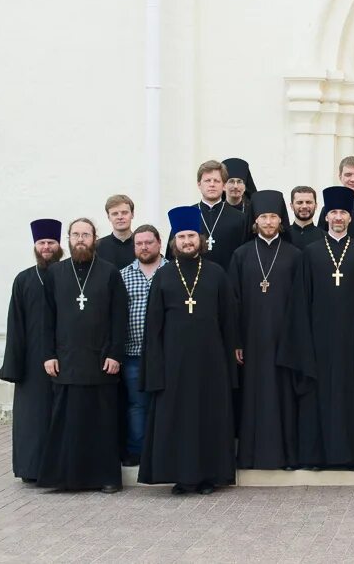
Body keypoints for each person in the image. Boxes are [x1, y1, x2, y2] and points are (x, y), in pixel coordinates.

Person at [140, 207, 239, 495]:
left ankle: (210, 477)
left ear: (200, 239)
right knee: (178, 419)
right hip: (173, 363)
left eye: (191, 236)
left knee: (209, 418)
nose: (187, 241)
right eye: (182, 236)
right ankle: (180, 477)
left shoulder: (217, 273)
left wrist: (229, 360)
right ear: (174, 241)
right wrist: (155, 364)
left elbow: (228, 320)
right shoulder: (164, 275)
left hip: (211, 361)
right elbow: (154, 324)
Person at [283, 185, 354, 469]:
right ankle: (316, 456)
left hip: (352, 342)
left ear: (351, 217)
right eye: (334, 212)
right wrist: (305, 341)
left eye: (343, 213)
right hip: (318, 341)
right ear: (326, 216)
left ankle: (352, 456)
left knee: (351, 400)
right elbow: (300, 301)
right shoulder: (310, 254)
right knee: (318, 398)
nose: (338, 218)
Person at [37, 218, 127, 493]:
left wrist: (114, 353)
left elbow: (118, 317)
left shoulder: (110, 273)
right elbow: (46, 318)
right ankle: (65, 479)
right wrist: (48, 355)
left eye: (85, 235)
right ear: (68, 238)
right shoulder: (56, 273)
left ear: (94, 238)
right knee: (68, 422)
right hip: (66, 360)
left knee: (102, 423)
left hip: (101, 361)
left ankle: (106, 479)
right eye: (75, 234)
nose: (80, 239)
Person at [229, 191, 304, 470]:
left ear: (281, 220)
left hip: (285, 339)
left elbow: (300, 302)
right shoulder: (241, 255)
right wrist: (236, 340)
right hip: (251, 339)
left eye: (273, 217)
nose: (269, 222)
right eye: (263, 217)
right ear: (255, 221)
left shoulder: (295, 255)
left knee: (283, 396)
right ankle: (250, 456)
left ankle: (286, 456)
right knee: (253, 396)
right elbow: (233, 301)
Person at [0, 218, 63, 483]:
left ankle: (59, 468)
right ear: (35, 246)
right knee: (33, 419)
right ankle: (31, 469)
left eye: (51, 242)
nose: (46, 247)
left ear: (59, 245)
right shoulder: (24, 279)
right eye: (42, 243)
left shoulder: (68, 275)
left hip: (64, 357)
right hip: (32, 361)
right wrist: (15, 365)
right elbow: (16, 324)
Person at [117, 224, 167, 466]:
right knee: (137, 405)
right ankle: (138, 452)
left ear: (159, 243)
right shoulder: (123, 275)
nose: (144, 247)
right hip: (133, 352)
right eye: (139, 243)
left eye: (149, 242)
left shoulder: (172, 270)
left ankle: (162, 451)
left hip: (167, 353)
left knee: (165, 403)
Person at [188, 160, 248, 270]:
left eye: (216, 181)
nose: (212, 184)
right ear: (199, 185)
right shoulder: (187, 215)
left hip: (228, 283)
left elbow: (245, 258)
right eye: (207, 180)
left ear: (224, 185)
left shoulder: (240, 218)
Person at [318, 156, 354, 239]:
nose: (353, 179)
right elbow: (321, 237)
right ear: (340, 177)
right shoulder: (329, 207)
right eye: (348, 175)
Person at [96, 194, 136, 269]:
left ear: (132, 214)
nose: (120, 217)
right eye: (115, 214)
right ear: (109, 217)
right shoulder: (97, 247)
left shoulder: (142, 245)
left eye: (124, 212)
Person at [288, 185, 325, 250]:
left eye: (308, 202)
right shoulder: (282, 236)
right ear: (291, 206)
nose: (304, 206)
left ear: (316, 206)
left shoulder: (325, 237)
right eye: (299, 202)